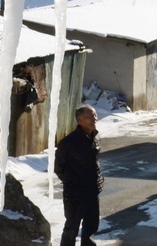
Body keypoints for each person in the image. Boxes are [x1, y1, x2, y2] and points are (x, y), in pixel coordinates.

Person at [55, 104, 104, 246]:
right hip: (75, 194)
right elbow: (59, 168)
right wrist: (73, 183)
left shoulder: (95, 136)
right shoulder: (68, 142)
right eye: (90, 116)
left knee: (91, 228)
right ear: (80, 120)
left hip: (93, 191)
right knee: (72, 228)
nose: (94, 119)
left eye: (95, 115)